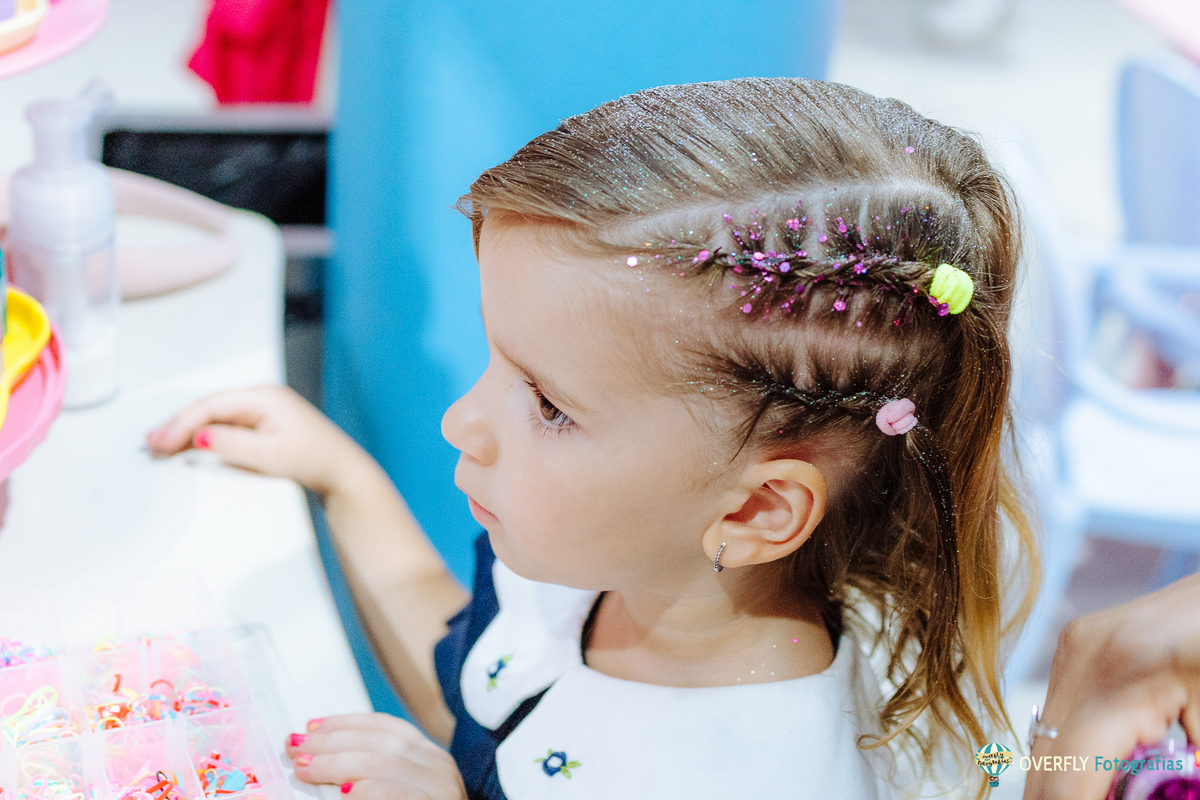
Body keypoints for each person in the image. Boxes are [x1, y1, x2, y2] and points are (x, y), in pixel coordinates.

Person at [145, 78, 1195, 800]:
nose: (462, 421)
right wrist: (346, 481)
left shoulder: (754, 768)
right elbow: (482, 677)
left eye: (547, 402)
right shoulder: (623, 567)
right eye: (499, 364)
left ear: (752, 509)